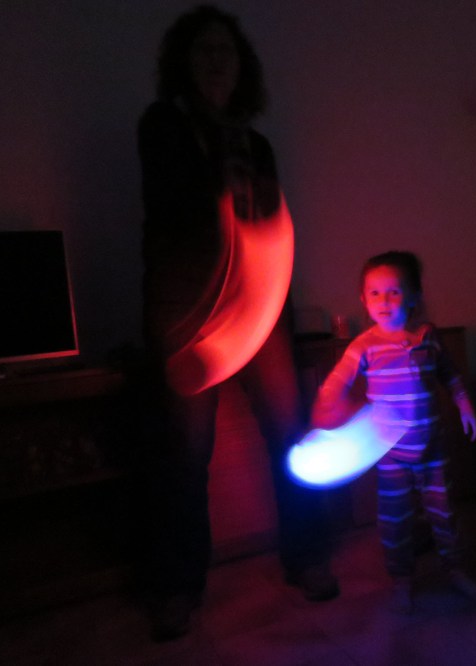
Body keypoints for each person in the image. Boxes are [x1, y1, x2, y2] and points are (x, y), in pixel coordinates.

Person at [136, 5, 337, 642]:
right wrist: (219, 193)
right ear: (184, 62)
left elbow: (270, 226)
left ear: (241, 64)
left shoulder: (256, 143)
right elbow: (172, 209)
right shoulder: (163, 125)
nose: (216, 61)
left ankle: (306, 557)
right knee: (184, 451)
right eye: (204, 50)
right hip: (188, 314)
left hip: (258, 311)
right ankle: (177, 588)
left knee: (288, 433)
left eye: (225, 50)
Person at [310, 251, 476, 614]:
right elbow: (336, 383)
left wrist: (464, 403)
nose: (384, 301)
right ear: (363, 300)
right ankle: (402, 580)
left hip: (432, 451)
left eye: (394, 291)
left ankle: (455, 570)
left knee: (444, 515)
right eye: (375, 293)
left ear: (414, 296)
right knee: (394, 521)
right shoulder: (364, 346)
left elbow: (450, 375)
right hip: (391, 457)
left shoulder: (428, 337)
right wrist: (327, 405)